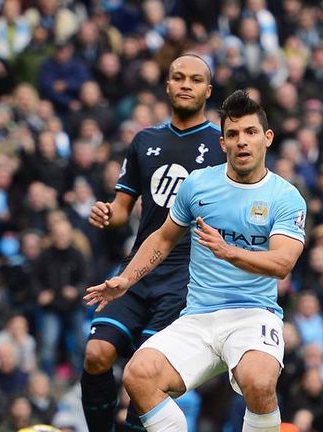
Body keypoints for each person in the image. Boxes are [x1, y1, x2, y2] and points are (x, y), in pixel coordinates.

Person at [85, 90, 307, 431]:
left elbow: (282, 264)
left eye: (250, 132)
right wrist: (126, 279)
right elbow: (161, 238)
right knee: (138, 374)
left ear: (267, 138)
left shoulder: (285, 197)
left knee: (260, 383)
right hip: (199, 316)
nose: (241, 142)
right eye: (232, 135)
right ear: (222, 143)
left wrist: (228, 251)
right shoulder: (198, 185)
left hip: (252, 315)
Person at [81, 53, 225, 431]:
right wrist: (108, 215)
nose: (185, 85)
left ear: (207, 91)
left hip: (187, 277)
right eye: (178, 77)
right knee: (96, 354)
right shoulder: (145, 140)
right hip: (138, 267)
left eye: (195, 80)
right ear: (167, 85)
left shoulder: (221, 146)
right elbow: (123, 209)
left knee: (143, 374)